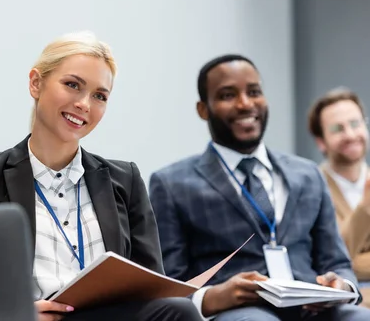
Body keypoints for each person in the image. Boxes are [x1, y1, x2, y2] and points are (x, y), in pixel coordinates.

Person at [0, 31, 200, 321]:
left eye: (99, 96)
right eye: (72, 85)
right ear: (36, 83)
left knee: (180, 309)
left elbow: (153, 286)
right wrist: (14, 314)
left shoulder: (126, 180)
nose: (84, 104)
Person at [149, 54, 370, 320]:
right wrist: (214, 296)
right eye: (228, 95)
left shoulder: (307, 173)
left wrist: (341, 286)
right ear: (203, 109)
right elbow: (167, 283)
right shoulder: (172, 183)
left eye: (254, 92)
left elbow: (337, 262)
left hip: (313, 307)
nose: (245, 104)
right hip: (239, 311)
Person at [308, 87, 370, 307]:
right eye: (338, 129)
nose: (351, 135)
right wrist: (365, 208)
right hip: (347, 304)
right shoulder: (309, 188)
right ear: (321, 141)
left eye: (355, 124)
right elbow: (333, 260)